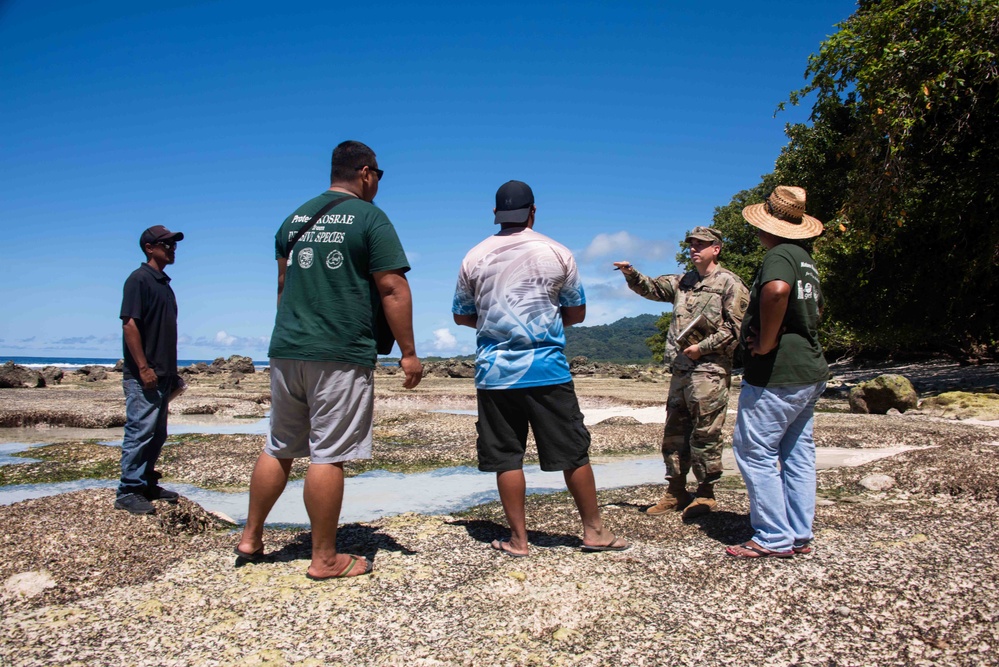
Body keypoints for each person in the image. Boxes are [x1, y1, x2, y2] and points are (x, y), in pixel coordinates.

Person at [236, 141, 423, 579]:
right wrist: (409, 353)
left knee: (279, 445)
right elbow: (392, 288)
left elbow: (283, 285)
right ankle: (324, 559)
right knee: (328, 455)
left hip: (286, 349)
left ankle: (251, 537)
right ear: (365, 172)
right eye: (378, 173)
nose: (377, 181)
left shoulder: (293, 218)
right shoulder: (370, 218)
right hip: (339, 351)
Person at [452, 180, 629, 557]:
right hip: (547, 369)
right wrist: (541, 323)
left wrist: (496, 325)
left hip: (496, 373)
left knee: (506, 457)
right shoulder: (558, 252)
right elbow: (576, 313)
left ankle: (519, 540)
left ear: (496, 215)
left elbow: (461, 316)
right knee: (573, 453)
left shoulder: (474, 256)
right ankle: (594, 531)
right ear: (534, 211)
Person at [614, 227, 748, 518]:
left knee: (706, 432)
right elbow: (651, 288)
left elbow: (736, 329)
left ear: (717, 248)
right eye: (691, 244)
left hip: (710, 370)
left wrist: (703, 347)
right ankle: (675, 491)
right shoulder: (682, 282)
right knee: (674, 432)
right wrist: (630, 273)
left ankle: (705, 494)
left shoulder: (730, 283)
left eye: (701, 244)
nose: (694, 249)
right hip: (681, 370)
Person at [725, 186, 828, 558]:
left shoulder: (780, 255)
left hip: (778, 372)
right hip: (810, 367)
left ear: (769, 223)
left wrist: (766, 344)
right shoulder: (805, 257)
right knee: (798, 450)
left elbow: (777, 292)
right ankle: (799, 533)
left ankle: (772, 536)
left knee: (754, 450)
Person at [116, 225, 185, 515]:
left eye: (173, 244)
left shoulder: (163, 283)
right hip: (144, 374)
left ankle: (145, 482)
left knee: (157, 433)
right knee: (140, 431)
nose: (172, 248)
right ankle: (128, 490)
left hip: (163, 373)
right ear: (149, 247)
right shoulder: (139, 280)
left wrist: (172, 373)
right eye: (165, 244)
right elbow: (130, 324)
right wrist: (143, 368)